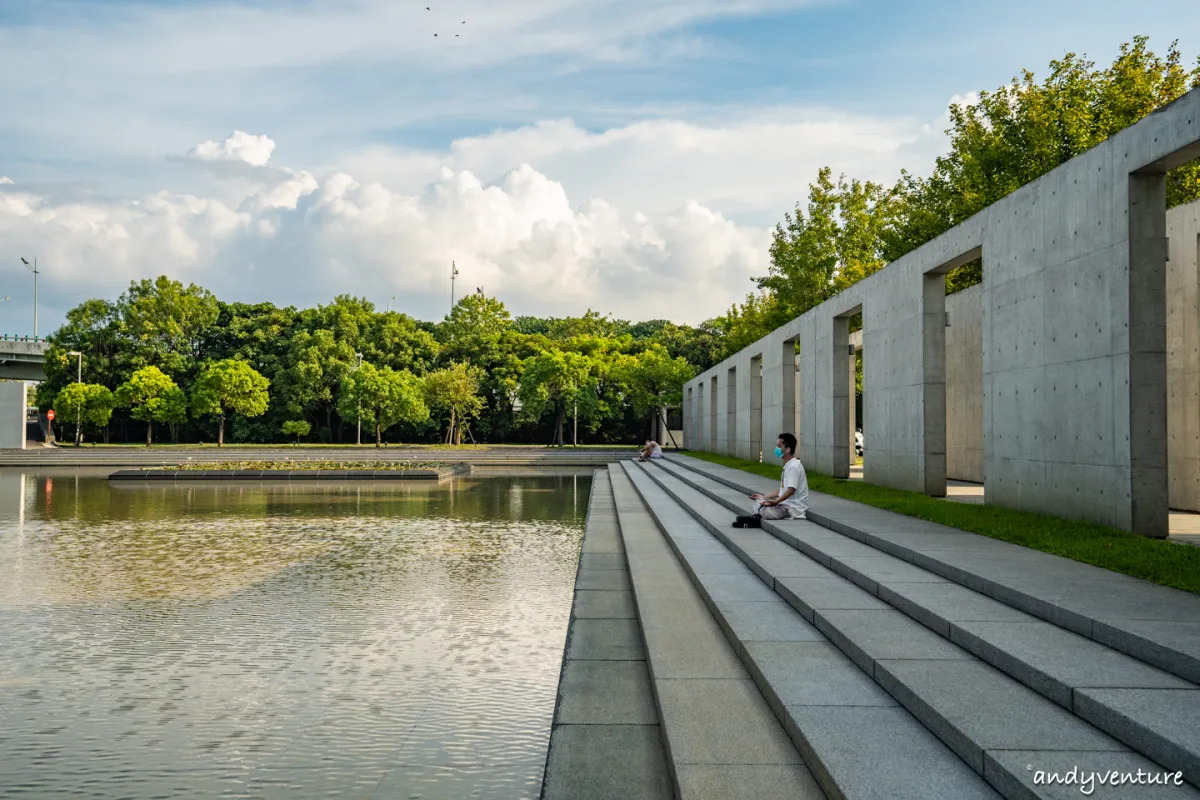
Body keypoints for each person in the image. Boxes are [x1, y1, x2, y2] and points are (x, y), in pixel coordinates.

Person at [736, 433, 808, 525]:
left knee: (767, 512)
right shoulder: (788, 465)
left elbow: (791, 490)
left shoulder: (794, 466)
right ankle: (755, 518)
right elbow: (783, 489)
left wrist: (775, 502)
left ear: (788, 449)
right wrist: (764, 497)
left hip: (793, 507)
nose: (776, 449)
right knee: (759, 501)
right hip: (784, 503)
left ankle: (754, 519)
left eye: (779, 446)